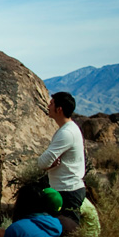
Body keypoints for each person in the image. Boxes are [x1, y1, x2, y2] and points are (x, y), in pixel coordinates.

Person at [37, 92, 86, 223]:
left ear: (59, 109)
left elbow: (42, 162)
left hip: (68, 192)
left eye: (51, 103)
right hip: (66, 189)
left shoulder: (66, 133)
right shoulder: (67, 129)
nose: (48, 106)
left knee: (68, 234)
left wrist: (48, 164)